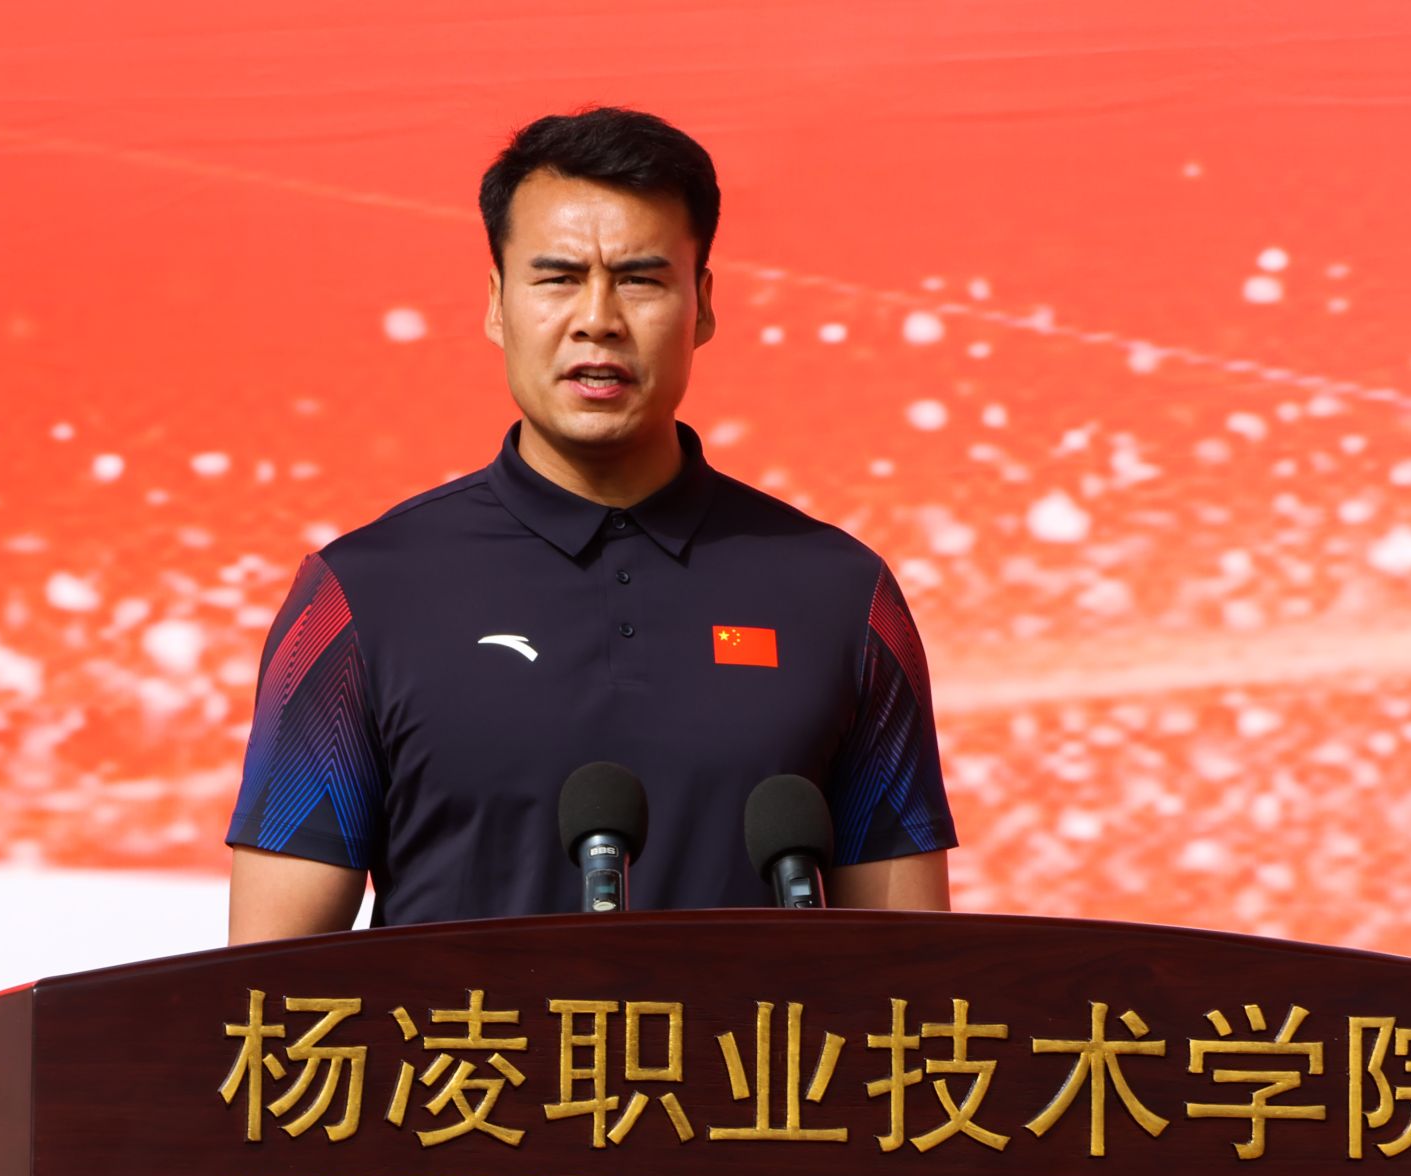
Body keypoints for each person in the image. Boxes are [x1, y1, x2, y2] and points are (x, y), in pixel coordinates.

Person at [225, 107, 955, 942]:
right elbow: (262, 986)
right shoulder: (361, 595)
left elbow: (915, 974)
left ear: (702, 305)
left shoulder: (841, 596)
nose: (598, 318)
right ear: (496, 304)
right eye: (558, 278)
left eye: (640, 280)